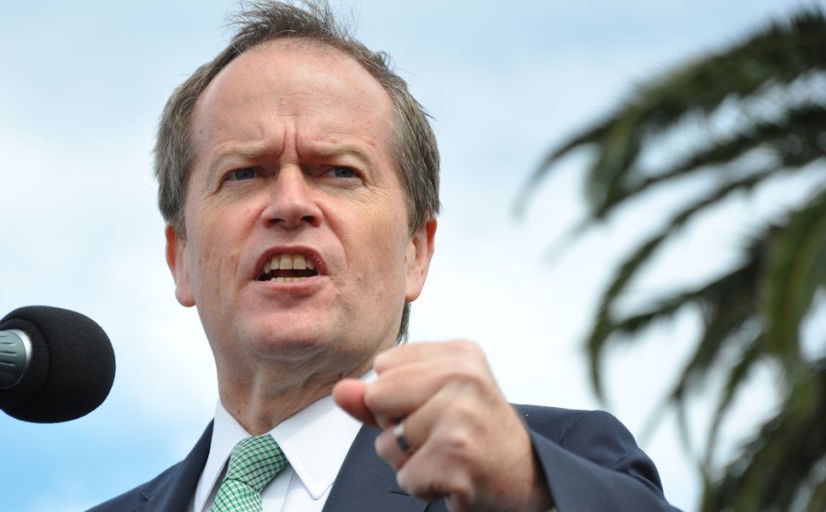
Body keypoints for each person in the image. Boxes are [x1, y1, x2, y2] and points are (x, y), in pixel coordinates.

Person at [92, 1, 678, 510]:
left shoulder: (550, 472)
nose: (291, 204)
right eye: (245, 173)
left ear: (416, 252)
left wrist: (529, 494)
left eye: (340, 172)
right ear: (181, 256)